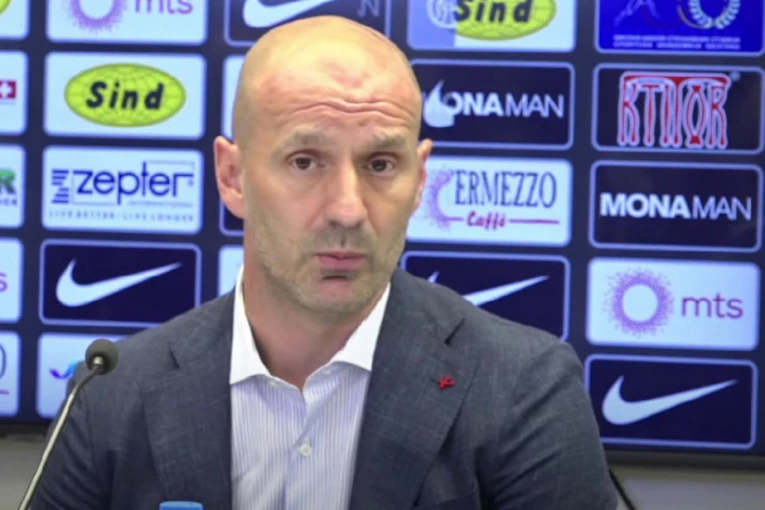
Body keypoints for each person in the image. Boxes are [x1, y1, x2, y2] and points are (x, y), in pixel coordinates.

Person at [31, 15, 618, 510]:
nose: (347, 209)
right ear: (232, 177)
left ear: (420, 180)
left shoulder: (522, 388)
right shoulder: (110, 396)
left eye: (381, 164)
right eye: (305, 161)